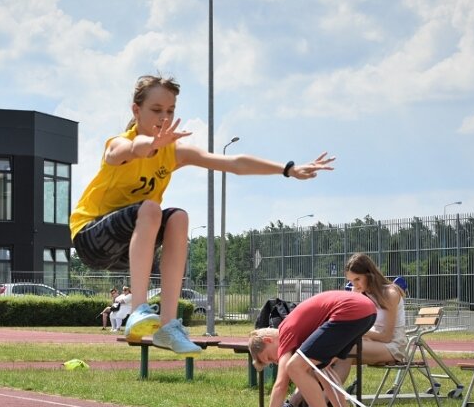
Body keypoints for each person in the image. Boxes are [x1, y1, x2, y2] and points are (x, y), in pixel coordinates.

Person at [69, 74, 335, 355]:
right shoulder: (118, 144)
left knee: (178, 218)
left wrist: (287, 169)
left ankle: (168, 327)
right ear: (136, 111)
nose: (164, 117)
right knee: (150, 208)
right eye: (156, 110)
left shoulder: (173, 153)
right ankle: (138, 311)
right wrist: (150, 145)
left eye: (170, 111)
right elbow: (130, 149)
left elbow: (233, 163)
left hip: (128, 246)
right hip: (90, 237)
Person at [248, 290, 376, 407]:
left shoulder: (286, 329)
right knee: (322, 369)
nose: (276, 361)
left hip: (349, 310)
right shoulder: (301, 331)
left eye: (269, 357)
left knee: (294, 366)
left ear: (268, 340)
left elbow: (281, 385)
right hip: (366, 310)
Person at [280, 253, 407, 407]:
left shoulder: (390, 292)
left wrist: (357, 331)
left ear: (370, 275)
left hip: (392, 346)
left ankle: (318, 403)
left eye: (358, 279)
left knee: (346, 346)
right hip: (366, 342)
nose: (355, 285)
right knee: (332, 350)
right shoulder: (360, 294)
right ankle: (298, 401)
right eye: (351, 281)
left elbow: (386, 335)